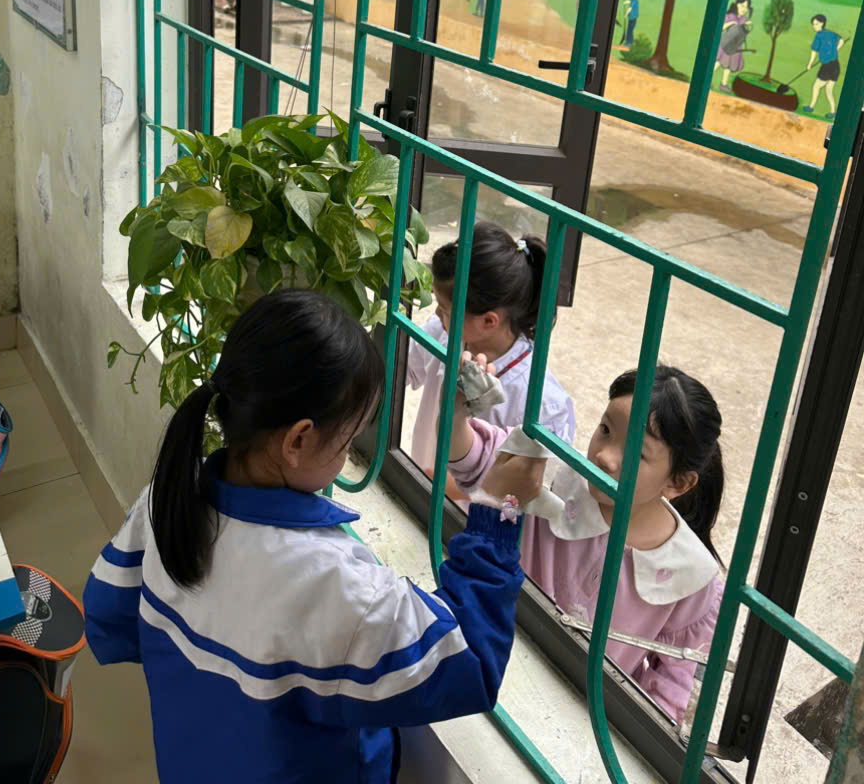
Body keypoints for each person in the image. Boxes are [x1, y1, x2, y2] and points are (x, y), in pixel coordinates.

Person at [83, 291, 544, 784]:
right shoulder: (333, 585)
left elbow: (108, 618)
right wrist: (499, 509)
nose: (347, 455)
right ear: (298, 440)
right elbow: (469, 663)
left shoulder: (167, 499)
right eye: (348, 439)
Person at [448, 359, 725, 724]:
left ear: (678, 483)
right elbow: (468, 455)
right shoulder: (551, 474)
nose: (605, 457)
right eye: (606, 429)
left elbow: (664, 699)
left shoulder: (692, 577)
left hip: (578, 723)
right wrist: (457, 405)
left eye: (637, 453)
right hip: (483, 666)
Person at [407, 223, 575, 502]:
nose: (436, 314)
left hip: (471, 518)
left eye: (445, 309)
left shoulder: (539, 402)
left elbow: (533, 490)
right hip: (420, 492)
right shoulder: (443, 333)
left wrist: (453, 489)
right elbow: (402, 369)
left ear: (488, 321)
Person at [802, 13, 845, 120]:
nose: (814, 26)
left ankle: (811, 107)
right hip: (835, 66)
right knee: (828, 90)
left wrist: (809, 65)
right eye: (813, 24)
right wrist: (836, 49)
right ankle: (833, 112)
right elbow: (841, 40)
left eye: (816, 24)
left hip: (827, 67)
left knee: (816, 86)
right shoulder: (830, 33)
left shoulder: (818, 36)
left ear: (822, 23)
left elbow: (814, 52)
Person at [713, 0, 752, 91]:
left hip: (735, 47)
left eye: (746, 7)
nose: (744, 9)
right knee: (718, 62)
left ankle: (723, 84)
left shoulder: (743, 19)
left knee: (729, 66)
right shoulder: (730, 16)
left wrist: (746, 25)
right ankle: (707, 78)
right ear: (737, 5)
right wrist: (732, 23)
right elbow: (721, 27)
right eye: (742, 6)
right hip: (726, 44)